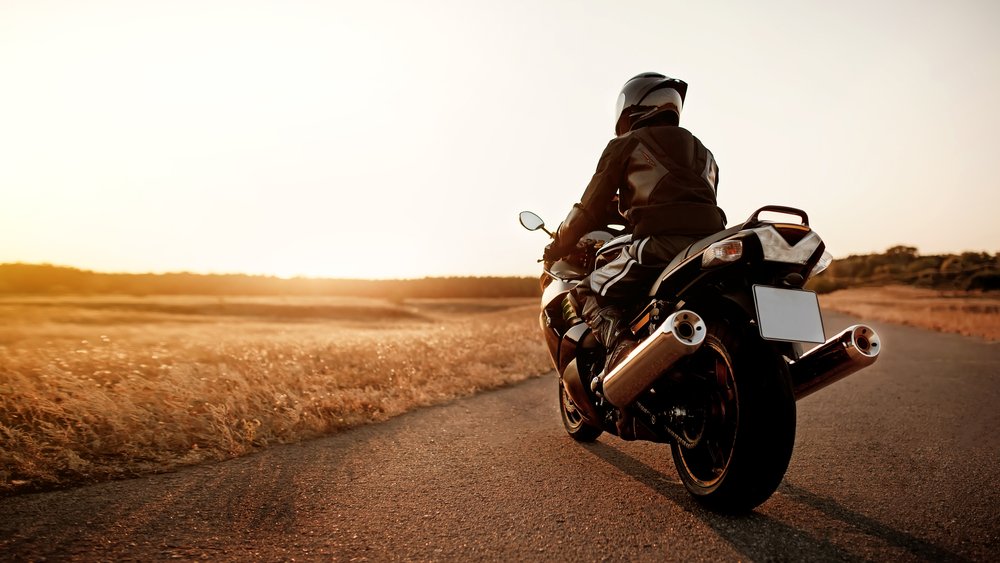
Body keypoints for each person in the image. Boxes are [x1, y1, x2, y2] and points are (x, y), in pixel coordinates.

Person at [543, 72, 727, 386]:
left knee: (588, 291)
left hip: (659, 245)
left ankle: (621, 353)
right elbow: (692, 202)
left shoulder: (626, 144)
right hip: (709, 245)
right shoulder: (704, 153)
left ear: (633, 106)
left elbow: (588, 207)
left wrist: (559, 244)